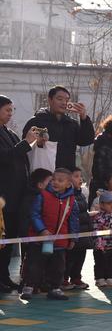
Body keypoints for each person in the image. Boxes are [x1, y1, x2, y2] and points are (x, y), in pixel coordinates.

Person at [0, 96, 39, 292]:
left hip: (16, 196)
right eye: (7, 110)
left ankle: (4, 276)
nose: (10, 114)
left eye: (11, 110)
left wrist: (32, 142)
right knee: (2, 238)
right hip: (3, 197)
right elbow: (5, 157)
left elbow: (20, 154)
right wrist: (26, 143)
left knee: (10, 240)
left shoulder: (10, 133)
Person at [21, 168, 79, 301]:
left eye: (60, 180)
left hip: (59, 242)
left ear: (68, 184)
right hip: (40, 239)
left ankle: (55, 288)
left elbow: (73, 220)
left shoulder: (71, 200)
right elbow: (34, 214)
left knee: (58, 266)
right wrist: (42, 230)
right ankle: (29, 286)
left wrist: (73, 238)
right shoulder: (42, 195)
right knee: (34, 264)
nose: (55, 182)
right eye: (53, 179)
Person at [22, 86, 95, 171]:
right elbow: (25, 145)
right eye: (59, 99)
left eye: (67, 100)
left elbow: (86, 140)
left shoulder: (71, 124)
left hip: (65, 174)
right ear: (50, 100)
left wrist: (84, 118)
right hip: (42, 174)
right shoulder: (37, 121)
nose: (64, 103)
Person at [62, 167, 91, 291]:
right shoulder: (67, 196)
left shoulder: (82, 195)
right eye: (76, 176)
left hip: (83, 232)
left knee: (80, 256)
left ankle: (76, 277)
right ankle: (64, 278)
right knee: (70, 257)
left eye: (80, 176)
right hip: (73, 232)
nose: (80, 179)